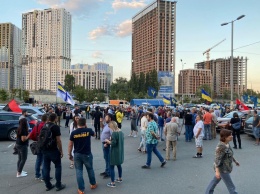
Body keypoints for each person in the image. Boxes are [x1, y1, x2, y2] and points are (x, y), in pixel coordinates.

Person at [205, 129, 240, 194]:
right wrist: (217, 171)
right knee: (230, 185)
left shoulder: (227, 144)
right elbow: (217, 159)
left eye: (231, 135)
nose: (232, 136)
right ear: (225, 137)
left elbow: (229, 154)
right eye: (230, 135)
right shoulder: (221, 147)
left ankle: (208, 192)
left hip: (226, 167)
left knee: (214, 181)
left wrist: (235, 161)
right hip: (222, 169)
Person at [68, 118, 97, 194]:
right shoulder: (88, 130)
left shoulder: (74, 133)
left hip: (77, 154)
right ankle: (93, 184)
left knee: (79, 171)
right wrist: (86, 128)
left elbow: (70, 144)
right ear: (85, 123)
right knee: (90, 169)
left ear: (77, 123)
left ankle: (81, 189)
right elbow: (94, 135)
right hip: (87, 154)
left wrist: (69, 154)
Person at [42, 113, 66, 191]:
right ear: (55, 118)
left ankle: (48, 185)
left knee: (46, 167)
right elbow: (58, 140)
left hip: (45, 149)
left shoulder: (44, 125)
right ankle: (58, 184)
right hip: (53, 149)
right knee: (58, 166)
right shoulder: (55, 127)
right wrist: (61, 150)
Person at [104, 121, 124, 188]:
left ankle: (112, 182)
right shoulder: (121, 132)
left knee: (111, 166)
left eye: (109, 127)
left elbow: (113, 143)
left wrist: (107, 141)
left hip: (114, 152)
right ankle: (120, 178)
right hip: (120, 151)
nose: (109, 128)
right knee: (119, 165)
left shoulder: (114, 133)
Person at [30, 114, 48, 180]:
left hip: (38, 143)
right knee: (44, 160)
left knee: (38, 159)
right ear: (46, 119)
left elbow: (31, 135)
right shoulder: (45, 126)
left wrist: (36, 139)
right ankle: (44, 176)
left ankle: (37, 175)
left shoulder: (37, 125)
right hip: (44, 145)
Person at [100, 114, 113, 179]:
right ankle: (107, 170)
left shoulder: (111, 125)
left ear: (110, 118)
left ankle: (109, 172)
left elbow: (112, 136)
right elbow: (102, 127)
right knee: (105, 157)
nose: (105, 118)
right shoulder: (107, 124)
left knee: (108, 158)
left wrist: (107, 143)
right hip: (104, 143)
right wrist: (101, 122)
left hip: (106, 144)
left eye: (106, 117)